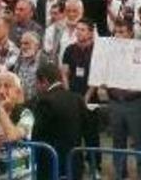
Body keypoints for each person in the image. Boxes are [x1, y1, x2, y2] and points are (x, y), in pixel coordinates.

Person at [107, 20, 141, 180]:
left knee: (140, 143)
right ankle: (120, 174)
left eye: (122, 31)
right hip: (115, 102)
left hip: (135, 102)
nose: (118, 35)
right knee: (117, 142)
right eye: (116, 32)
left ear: (131, 33)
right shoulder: (108, 52)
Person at [32, 62, 87, 179]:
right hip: (74, 162)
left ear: (44, 81)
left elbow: (36, 133)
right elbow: (87, 130)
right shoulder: (77, 98)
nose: (35, 87)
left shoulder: (45, 102)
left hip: (51, 164)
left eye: (36, 82)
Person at [60, 19, 101, 170]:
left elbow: (98, 75)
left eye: (83, 29)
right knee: (73, 134)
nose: (78, 32)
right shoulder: (69, 49)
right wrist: (69, 94)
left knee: (91, 135)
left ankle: (95, 165)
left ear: (90, 32)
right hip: (73, 95)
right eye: (77, 29)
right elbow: (64, 73)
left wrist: (87, 96)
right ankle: (76, 165)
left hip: (90, 96)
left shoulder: (97, 50)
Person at [13, 31, 47, 100]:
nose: (22, 46)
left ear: (37, 45)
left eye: (26, 43)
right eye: (21, 43)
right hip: (20, 100)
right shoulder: (19, 59)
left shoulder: (44, 61)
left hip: (37, 102)